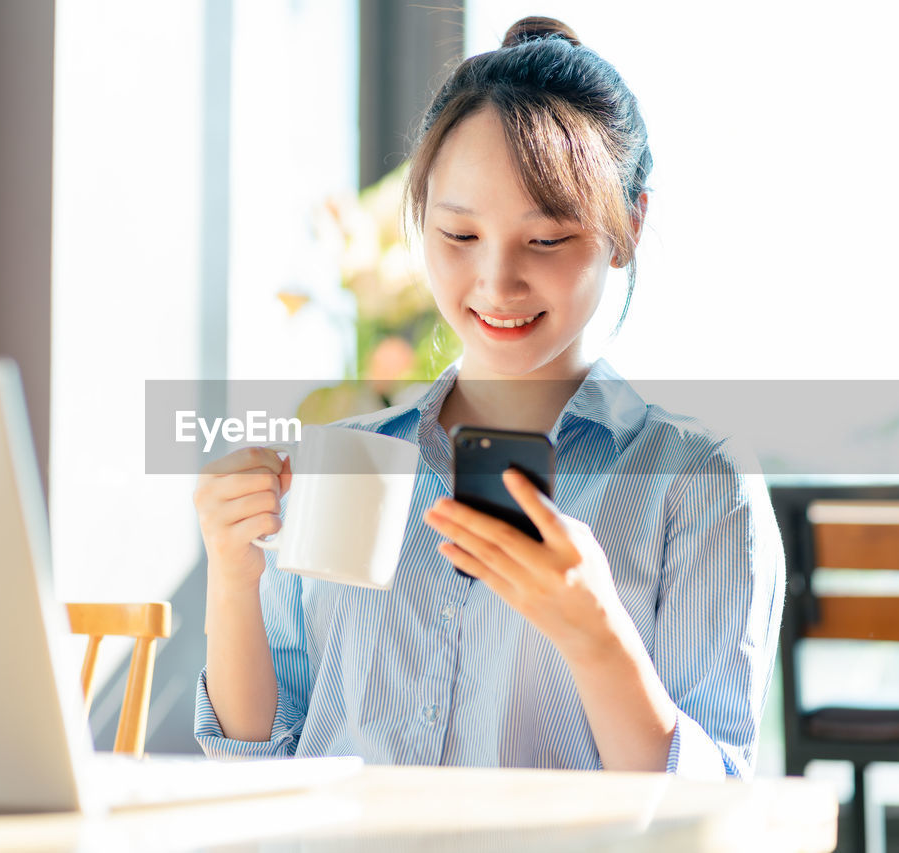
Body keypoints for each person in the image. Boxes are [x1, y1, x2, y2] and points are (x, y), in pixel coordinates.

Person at [192, 16, 784, 779]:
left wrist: (596, 633)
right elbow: (257, 756)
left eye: (545, 241)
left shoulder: (699, 482)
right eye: (460, 236)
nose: (497, 283)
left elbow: (717, 811)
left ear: (628, 226)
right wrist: (232, 577)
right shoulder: (355, 458)